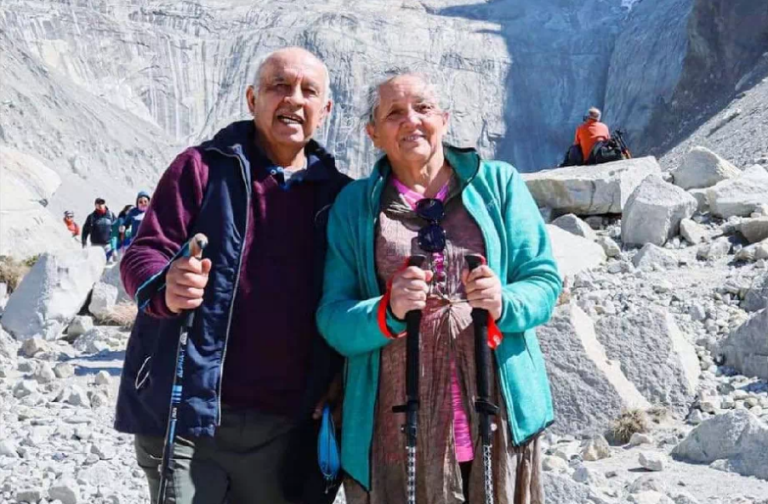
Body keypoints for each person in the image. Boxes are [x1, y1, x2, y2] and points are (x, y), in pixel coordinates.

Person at [116, 47, 350, 504]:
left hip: (287, 426)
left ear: (325, 110)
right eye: (279, 86)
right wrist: (167, 284)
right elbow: (144, 252)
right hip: (184, 412)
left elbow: (350, 295)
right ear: (251, 98)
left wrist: (344, 378)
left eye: (309, 91)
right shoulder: (201, 168)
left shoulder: (340, 197)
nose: (293, 99)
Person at [317, 72, 562, 503]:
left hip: (495, 417)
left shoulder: (498, 184)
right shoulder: (355, 206)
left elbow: (543, 282)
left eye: (423, 108)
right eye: (394, 113)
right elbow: (333, 316)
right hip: (396, 430)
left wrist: (504, 301)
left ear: (444, 120)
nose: (411, 120)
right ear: (373, 133)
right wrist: (386, 310)